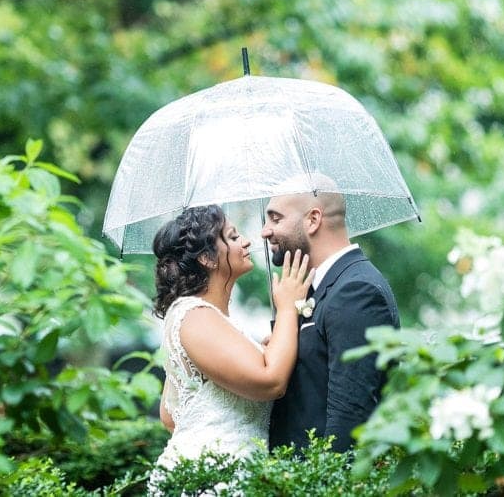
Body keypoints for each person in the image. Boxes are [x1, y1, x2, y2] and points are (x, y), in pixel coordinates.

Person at [151, 204, 313, 476]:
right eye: (234, 237)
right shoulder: (195, 316)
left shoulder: (204, 318)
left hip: (226, 474)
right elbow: (271, 381)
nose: (248, 241)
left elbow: (170, 416)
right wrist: (287, 308)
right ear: (207, 258)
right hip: (211, 480)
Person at [263, 180, 400, 453]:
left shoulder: (356, 291)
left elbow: (349, 419)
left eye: (275, 219)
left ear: (313, 219)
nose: (266, 231)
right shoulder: (315, 290)